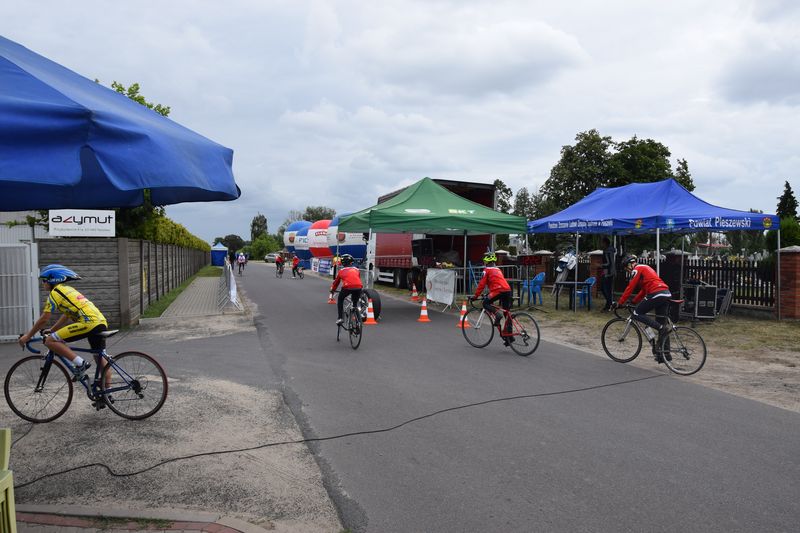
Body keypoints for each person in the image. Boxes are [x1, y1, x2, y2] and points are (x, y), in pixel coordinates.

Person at [18, 264, 108, 381]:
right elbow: (66, 315)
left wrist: (28, 336)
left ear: (52, 280)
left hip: (88, 323)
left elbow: (44, 319)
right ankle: (107, 394)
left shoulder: (55, 293)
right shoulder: (68, 290)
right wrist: (53, 330)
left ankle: (81, 364)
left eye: (44, 280)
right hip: (100, 323)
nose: (43, 283)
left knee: (50, 340)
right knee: (100, 359)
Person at [612, 255, 671, 361]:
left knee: (637, 314)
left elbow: (630, 287)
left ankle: (662, 329)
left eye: (626, 268)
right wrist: (633, 301)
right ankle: (665, 355)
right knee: (661, 324)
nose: (627, 271)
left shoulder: (637, 269)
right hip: (665, 293)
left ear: (630, 265)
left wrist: (620, 303)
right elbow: (643, 291)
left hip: (656, 293)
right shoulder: (645, 268)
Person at [471, 252, 513, 345]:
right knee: (507, 313)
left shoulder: (486, 270)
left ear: (486, 261)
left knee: (485, 303)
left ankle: (497, 314)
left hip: (498, 291)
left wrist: (475, 296)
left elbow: (482, 284)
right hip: (508, 290)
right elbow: (495, 282)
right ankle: (510, 337)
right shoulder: (498, 269)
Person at [329, 254, 363, 325]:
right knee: (355, 303)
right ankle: (357, 316)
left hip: (347, 287)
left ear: (343, 263)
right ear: (351, 262)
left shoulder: (341, 271)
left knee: (340, 299)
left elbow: (336, 283)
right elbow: (357, 279)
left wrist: (332, 290)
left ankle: (340, 318)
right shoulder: (357, 269)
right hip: (359, 287)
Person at [600, 236, 616, 311]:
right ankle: (608, 305)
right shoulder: (611, 250)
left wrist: (600, 265)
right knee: (608, 290)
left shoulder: (607, 251)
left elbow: (608, 263)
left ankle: (610, 303)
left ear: (605, 243)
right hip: (611, 272)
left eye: (602, 242)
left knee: (604, 289)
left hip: (607, 272)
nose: (601, 244)